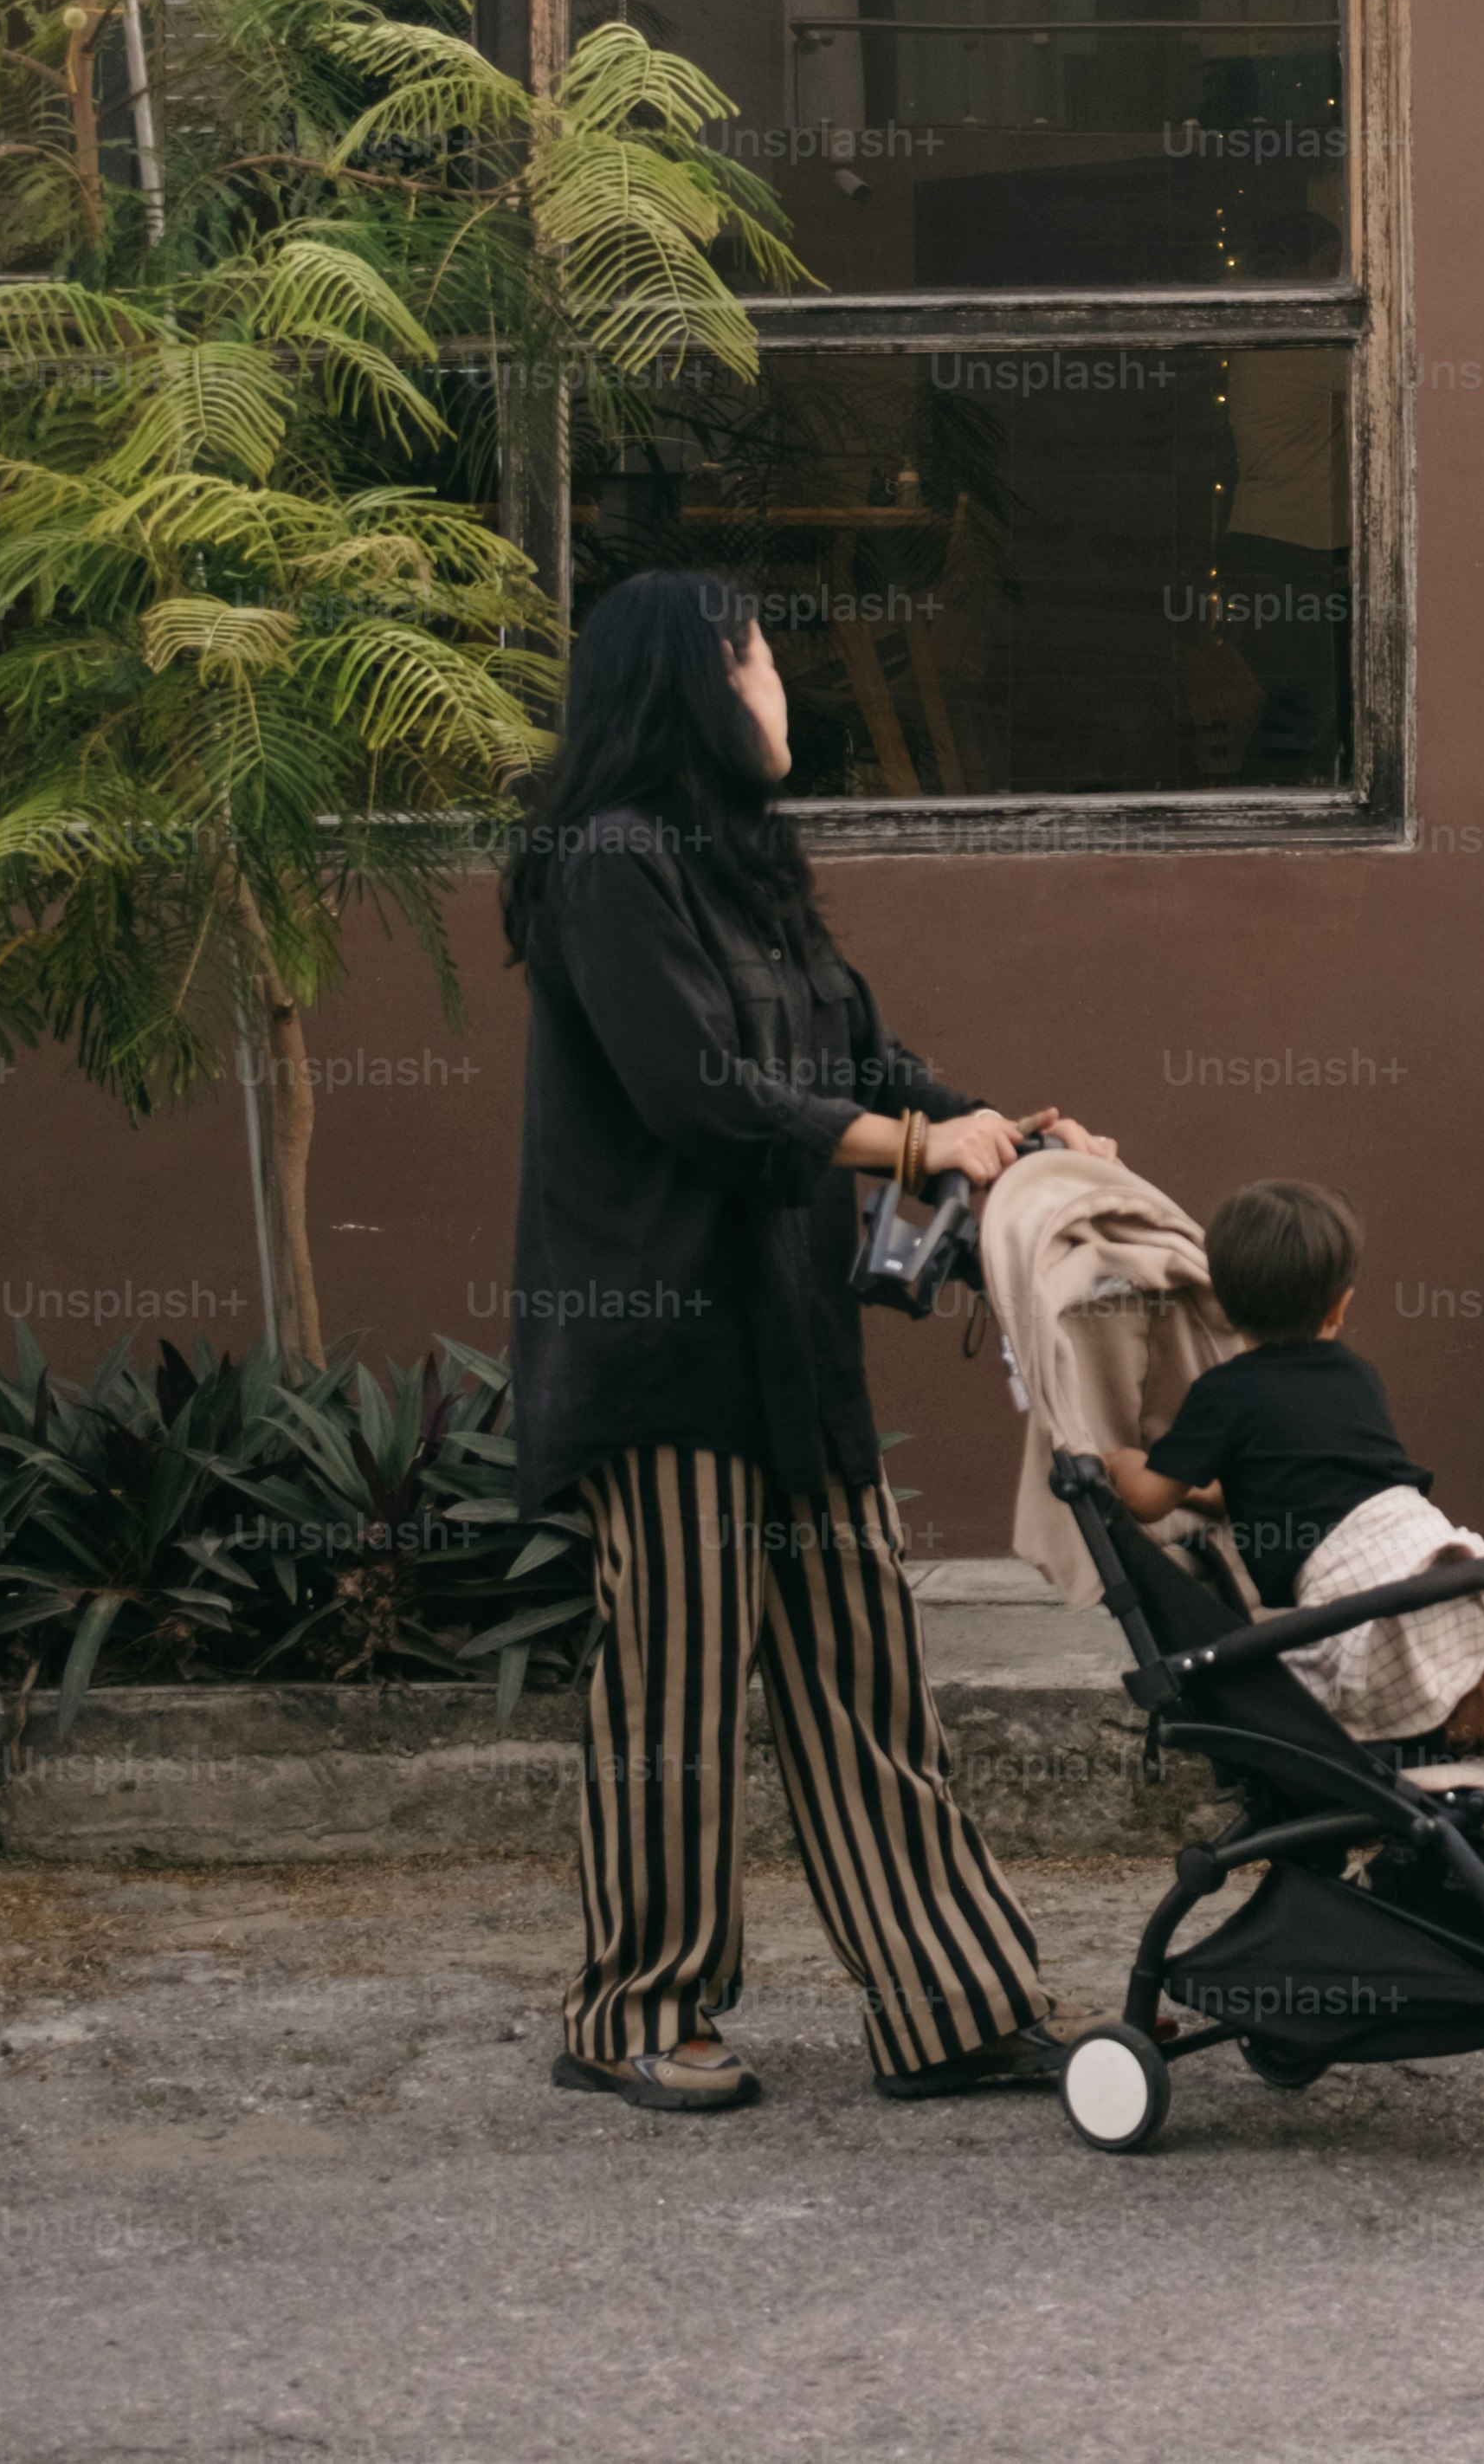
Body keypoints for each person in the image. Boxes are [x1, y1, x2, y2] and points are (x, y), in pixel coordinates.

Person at [501, 567, 1099, 2112]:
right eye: (763, 662)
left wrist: (998, 1129)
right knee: (677, 1686)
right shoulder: (607, 864)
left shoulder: (746, 864)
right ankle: (632, 2005)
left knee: (862, 1672)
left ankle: (952, 2000)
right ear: (695, 681)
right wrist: (917, 1147)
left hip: (789, 1332)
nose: (786, 690)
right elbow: (692, 1090)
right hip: (664, 1343)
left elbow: (865, 1054)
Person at [1100, 1179, 1484, 1764]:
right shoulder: (1356, 1376)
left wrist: (1116, 1460)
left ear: (1223, 1308)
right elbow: (1278, 1484)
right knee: (1461, 1650)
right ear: (1340, 1306)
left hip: (1348, 1571)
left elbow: (1149, 1499)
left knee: (1364, 1692)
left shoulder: (1222, 1393)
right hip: (1427, 1536)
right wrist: (1213, 1498)